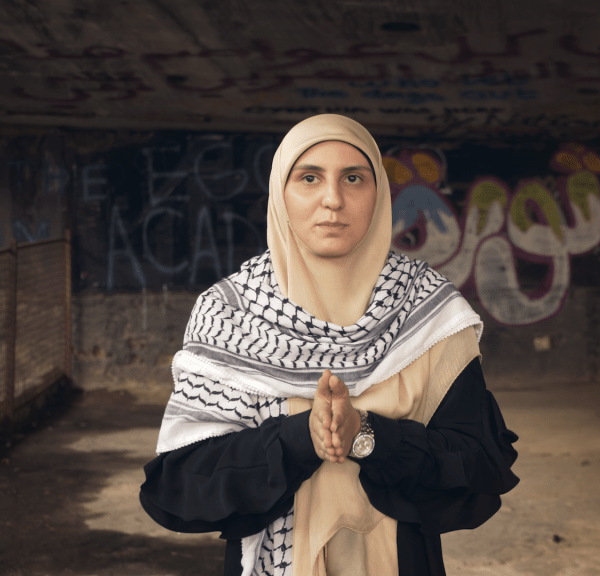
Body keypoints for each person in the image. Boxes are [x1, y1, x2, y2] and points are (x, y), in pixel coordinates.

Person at [139, 114, 519, 576]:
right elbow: (181, 484)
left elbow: (480, 467)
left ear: (379, 194)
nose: (333, 199)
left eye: (353, 178)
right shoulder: (230, 314)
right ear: (280, 194)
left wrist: (367, 435)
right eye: (309, 178)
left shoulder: (429, 311)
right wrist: (301, 438)